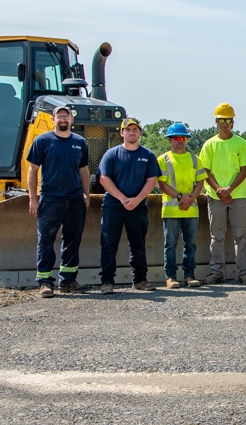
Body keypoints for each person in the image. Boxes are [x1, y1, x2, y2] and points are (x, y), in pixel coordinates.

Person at [26, 105, 90, 298]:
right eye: (59, 116)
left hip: (74, 199)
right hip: (50, 199)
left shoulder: (80, 142)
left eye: (66, 116)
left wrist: (86, 194)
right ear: (53, 120)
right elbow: (32, 170)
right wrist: (33, 198)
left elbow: (83, 170)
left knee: (72, 239)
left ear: (72, 120)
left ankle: (68, 280)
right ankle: (45, 282)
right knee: (46, 239)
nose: (63, 119)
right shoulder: (42, 141)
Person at [97, 118, 162, 294]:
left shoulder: (148, 155)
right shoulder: (111, 154)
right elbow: (104, 178)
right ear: (121, 133)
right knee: (109, 244)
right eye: (128, 130)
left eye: (135, 129)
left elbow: (151, 180)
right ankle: (107, 282)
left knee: (138, 244)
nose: (132, 133)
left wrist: (137, 199)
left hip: (138, 207)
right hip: (113, 206)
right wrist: (123, 198)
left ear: (140, 132)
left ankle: (140, 280)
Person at [199, 102, 246, 285]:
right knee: (217, 236)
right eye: (221, 120)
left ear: (233, 122)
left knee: (241, 236)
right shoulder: (209, 145)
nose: (224, 123)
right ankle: (216, 272)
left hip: (237, 196)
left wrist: (229, 189)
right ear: (216, 121)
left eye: (227, 120)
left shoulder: (241, 144)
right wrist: (219, 190)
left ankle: (243, 272)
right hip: (215, 197)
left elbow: (245, 169)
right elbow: (206, 171)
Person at [157, 122, 208, 289]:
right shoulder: (163, 159)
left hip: (191, 209)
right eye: (177, 138)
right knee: (170, 245)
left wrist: (191, 197)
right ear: (170, 140)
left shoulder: (195, 159)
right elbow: (162, 184)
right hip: (172, 211)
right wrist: (180, 197)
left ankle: (189, 275)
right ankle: (170, 277)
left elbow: (201, 181)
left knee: (190, 244)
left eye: (183, 138)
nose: (180, 141)